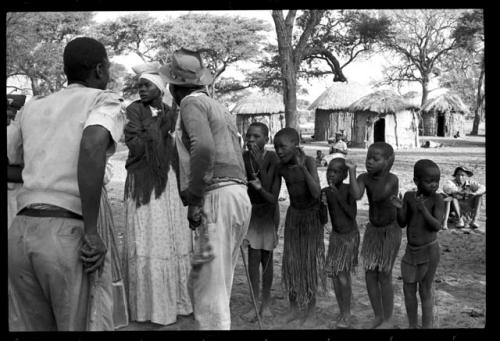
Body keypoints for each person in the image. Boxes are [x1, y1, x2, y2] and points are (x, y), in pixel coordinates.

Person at [7, 37, 126, 331]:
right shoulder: (103, 100)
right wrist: (91, 231)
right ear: (99, 70)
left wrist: (41, 179)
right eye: (108, 67)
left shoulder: (33, 107)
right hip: (65, 235)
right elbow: (92, 145)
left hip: (21, 233)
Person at [160, 48, 252, 330]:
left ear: (175, 87)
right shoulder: (219, 107)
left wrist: (195, 201)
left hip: (217, 197)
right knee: (217, 282)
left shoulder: (190, 103)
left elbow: (204, 148)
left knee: (209, 292)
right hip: (237, 195)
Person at [122, 62, 193, 326]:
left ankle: (178, 303)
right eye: (139, 85)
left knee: (170, 239)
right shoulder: (134, 110)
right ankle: (147, 309)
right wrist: (160, 129)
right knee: (148, 238)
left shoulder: (171, 110)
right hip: (143, 184)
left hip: (169, 184)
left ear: (160, 88)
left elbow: (178, 142)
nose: (141, 89)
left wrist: (162, 130)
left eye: (146, 85)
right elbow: (136, 144)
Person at [345, 142, 402, 329]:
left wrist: (364, 178)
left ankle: (388, 318)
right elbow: (355, 195)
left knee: (384, 274)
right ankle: (378, 315)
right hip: (373, 231)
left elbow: (377, 195)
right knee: (370, 274)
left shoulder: (392, 179)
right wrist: (352, 173)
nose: (369, 162)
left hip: (389, 231)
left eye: (375, 159)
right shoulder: (364, 177)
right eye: (368, 157)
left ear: (388, 161)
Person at [273, 127, 325, 325]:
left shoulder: (309, 162)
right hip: (294, 217)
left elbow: (316, 193)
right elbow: (274, 192)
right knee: (292, 263)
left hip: (311, 218)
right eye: (276, 147)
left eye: (283, 147)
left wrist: (303, 169)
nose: (279, 151)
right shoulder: (281, 167)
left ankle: (310, 310)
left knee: (309, 264)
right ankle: (294, 308)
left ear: (296, 145)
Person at [391, 159, 444, 328]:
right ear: (416, 181)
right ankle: (412, 325)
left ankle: (427, 326)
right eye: (429, 181)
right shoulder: (408, 196)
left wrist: (423, 209)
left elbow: (437, 226)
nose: (434, 185)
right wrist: (399, 208)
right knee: (408, 289)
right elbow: (402, 223)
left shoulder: (437, 199)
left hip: (429, 251)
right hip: (411, 252)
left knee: (425, 290)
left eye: (437, 181)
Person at [242, 122, 282, 321]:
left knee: (266, 260)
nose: (251, 140)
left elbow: (272, 195)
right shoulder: (244, 158)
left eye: (256, 136)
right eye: (248, 136)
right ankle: (253, 303)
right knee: (252, 260)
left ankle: (266, 302)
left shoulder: (273, 159)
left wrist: (258, 163)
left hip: (268, 214)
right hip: (252, 214)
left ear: (267, 139)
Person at [320, 157, 359, 329]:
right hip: (336, 237)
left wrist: (337, 195)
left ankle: (347, 313)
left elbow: (351, 214)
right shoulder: (325, 191)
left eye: (336, 172)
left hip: (349, 237)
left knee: (343, 276)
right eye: (329, 170)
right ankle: (342, 309)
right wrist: (323, 205)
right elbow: (323, 219)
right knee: (335, 275)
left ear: (344, 175)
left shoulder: (349, 189)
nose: (331, 174)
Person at [442, 166, 485, 230]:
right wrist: (459, 192)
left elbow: (483, 187)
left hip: (467, 206)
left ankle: (474, 220)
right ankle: (459, 219)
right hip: (455, 206)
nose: (460, 177)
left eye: (462, 175)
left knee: (479, 196)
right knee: (452, 197)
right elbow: (446, 188)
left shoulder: (470, 183)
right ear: (455, 175)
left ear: (466, 176)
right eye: (458, 175)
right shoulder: (451, 183)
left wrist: (474, 193)